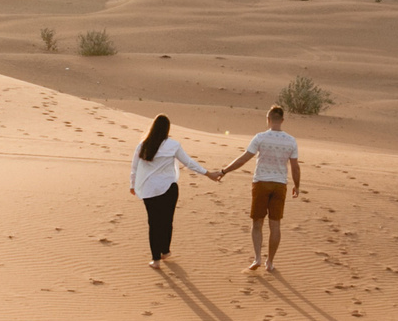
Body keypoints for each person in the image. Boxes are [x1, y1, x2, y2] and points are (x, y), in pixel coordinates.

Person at [215, 105, 302, 273]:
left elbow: (244, 159)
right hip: (280, 185)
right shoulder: (291, 140)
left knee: (257, 222)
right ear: (282, 120)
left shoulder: (260, 137)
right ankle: (270, 262)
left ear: (268, 120)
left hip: (261, 183)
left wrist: (224, 171)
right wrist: (297, 186)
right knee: (275, 225)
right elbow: (295, 167)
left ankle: (257, 258)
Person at [129, 113, 216, 267]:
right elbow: (189, 162)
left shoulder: (143, 145)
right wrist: (208, 173)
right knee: (167, 220)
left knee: (154, 223)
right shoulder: (173, 145)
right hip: (168, 188)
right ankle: (165, 251)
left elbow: (134, 167)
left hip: (149, 190)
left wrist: (132, 185)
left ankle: (156, 259)